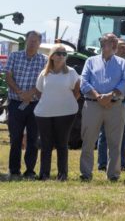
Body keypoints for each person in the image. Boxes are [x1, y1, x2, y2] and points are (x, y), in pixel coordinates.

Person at [79, 33, 125, 181]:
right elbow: (83, 81)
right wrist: (98, 96)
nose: (115, 44)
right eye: (111, 41)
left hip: (115, 105)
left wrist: (110, 95)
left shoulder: (123, 63)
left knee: (115, 142)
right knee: (88, 141)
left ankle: (113, 174)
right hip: (92, 104)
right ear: (102, 44)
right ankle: (86, 174)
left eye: (115, 42)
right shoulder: (90, 61)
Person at [34, 44, 80, 180]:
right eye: (59, 53)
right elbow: (38, 92)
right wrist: (50, 102)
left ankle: (62, 174)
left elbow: (77, 91)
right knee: (46, 144)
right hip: (44, 114)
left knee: (62, 143)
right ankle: (44, 174)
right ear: (52, 56)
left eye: (64, 54)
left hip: (66, 113)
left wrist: (64, 103)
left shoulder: (71, 72)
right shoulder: (44, 73)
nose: (61, 56)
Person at [5, 30, 47, 179]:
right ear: (26, 41)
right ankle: (14, 170)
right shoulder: (14, 56)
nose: (32, 43)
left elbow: (44, 81)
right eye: (30, 40)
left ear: (39, 43)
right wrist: (20, 92)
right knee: (15, 138)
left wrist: (30, 93)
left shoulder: (44, 60)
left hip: (35, 104)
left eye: (35, 41)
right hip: (15, 103)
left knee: (33, 139)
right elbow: (8, 76)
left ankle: (30, 171)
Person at [98, 39, 125, 173]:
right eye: (121, 47)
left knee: (123, 134)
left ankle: (121, 163)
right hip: (110, 100)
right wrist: (109, 97)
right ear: (114, 48)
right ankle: (102, 163)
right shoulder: (107, 64)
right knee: (105, 133)